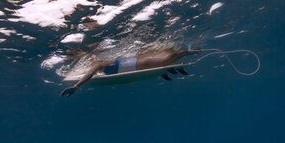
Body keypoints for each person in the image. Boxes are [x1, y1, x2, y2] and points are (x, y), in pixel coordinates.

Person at [60, 47, 201, 97]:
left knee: (166, 58)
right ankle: (166, 68)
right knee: (164, 60)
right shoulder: (99, 62)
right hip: (135, 66)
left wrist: (76, 86)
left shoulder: (98, 63)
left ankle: (190, 51)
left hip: (137, 64)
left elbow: (90, 74)